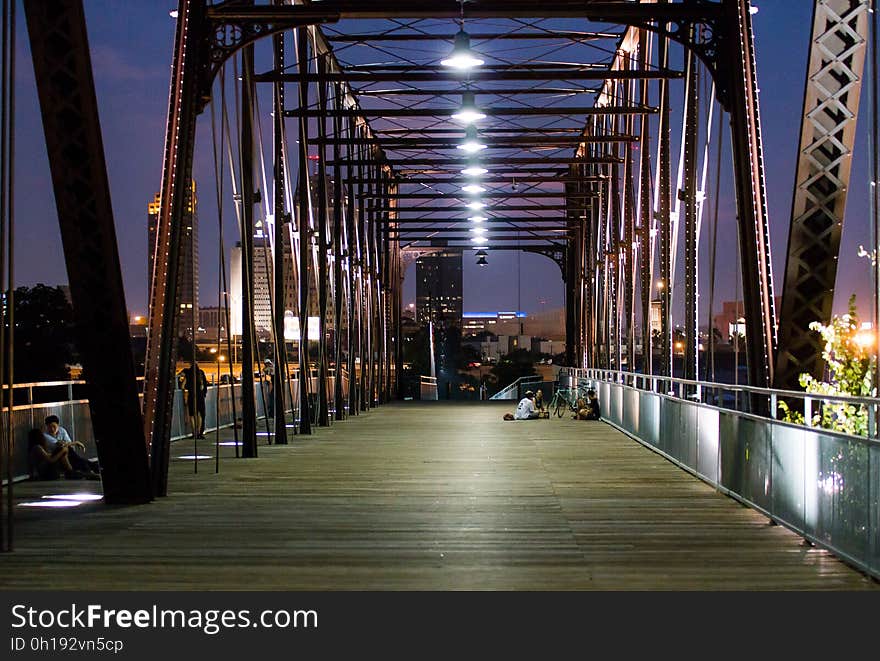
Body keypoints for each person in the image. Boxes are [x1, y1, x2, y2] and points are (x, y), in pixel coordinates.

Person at [28, 429, 97, 480]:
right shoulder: (37, 447)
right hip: (46, 475)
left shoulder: (37, 447)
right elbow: (50, 460)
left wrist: (61, 451)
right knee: (61, 450)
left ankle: (71, 472)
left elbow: (49, 456)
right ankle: (71, 472)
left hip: (47, 472)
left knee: (62, 449)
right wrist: (62, 451)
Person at [183, 363, 208, 438]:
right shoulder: (201, 374)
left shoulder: (188, 374)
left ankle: (194, 433)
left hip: (191, 396)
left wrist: (185, 390)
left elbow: (182, 386)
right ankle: (199, 433)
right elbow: (204, 386)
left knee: (192, 415)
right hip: (200, 396)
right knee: (199, 415)